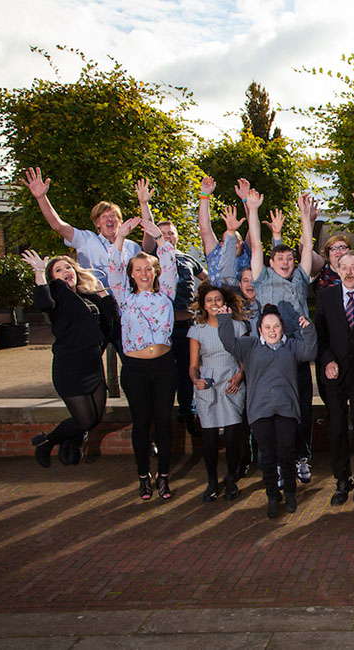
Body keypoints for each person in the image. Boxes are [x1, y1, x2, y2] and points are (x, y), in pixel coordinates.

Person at [218, 304, 318, 518]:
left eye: (276, 326)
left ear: (282, 327)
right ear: (260, 329)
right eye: (267, 327)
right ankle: (273, 496)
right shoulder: (250, 346)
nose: (272, 331)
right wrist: (225, 320)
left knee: (286, 453)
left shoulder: (291, 347)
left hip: (286, 410)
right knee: (268, 458)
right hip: (260, 412)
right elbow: (229, 344)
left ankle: (290, 493)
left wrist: (308, 330)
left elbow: (310, 351)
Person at [246, 189, 316, 484]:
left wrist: (304, 217)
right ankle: (272, 464)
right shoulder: (262, 278)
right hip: (266, 356)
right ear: (272, 262)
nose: (286, 262)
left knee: (301, 408)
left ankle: (301, 457)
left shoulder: (300, 276)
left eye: (289, 258)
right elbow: (257, 246)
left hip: (295, 353)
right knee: (268, 411)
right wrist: (252, 210)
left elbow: (308, 244)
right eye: (281, 259)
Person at [22, 250, 117, 467]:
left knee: (95, 419)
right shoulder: (56, 295)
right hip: (70, 368)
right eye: (58, 270)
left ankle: (70, 441)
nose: (66, 271)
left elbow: (109, 323)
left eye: (68, 267)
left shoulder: (87, 296)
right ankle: (46, 443)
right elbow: (43, 304)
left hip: (93, 366)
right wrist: (39, 273)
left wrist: (104, 294)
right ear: (53, 278)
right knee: (84, 420)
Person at [108, 217, 179, 500]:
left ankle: (163, 476)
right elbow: (113, 267)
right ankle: (143, 476)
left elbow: (170, 262)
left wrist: (158, 239)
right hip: (135, 368)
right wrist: (121, 237)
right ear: (132, 273)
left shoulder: (167, 295)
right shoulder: (124, 297)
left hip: (163, 366)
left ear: (154, 271)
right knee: (141, 423)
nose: (144, 272)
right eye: (138, 269)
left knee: (163, 421)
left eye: (148, 268)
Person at [136, 179, 209, 438]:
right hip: (160, 330)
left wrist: (205, 305)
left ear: (177, 236)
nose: (167, 237)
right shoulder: (152, 259)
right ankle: (161, 425)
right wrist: (145, 204)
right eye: (162, 234)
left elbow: (207, 280)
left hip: (187, 326)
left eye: (171, 233)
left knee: (190, 370)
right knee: (163, 377)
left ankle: (188, 414)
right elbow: (148, 233)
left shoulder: (188, 258)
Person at [315, 250, 354, 506]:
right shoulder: (326, 295)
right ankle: (342, 480)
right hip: (335, 373)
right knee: (338, 427)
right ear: (337, 270)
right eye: (344, 267)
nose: (349, 272)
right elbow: (320, 335)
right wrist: (328, 359)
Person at [22, 167, 141, 287]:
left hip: (128, 302)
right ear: (97, 223)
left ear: (120, 221)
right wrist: (41, 198)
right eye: (104, 216)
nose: (109, 219)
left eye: (113, 216)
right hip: (97, 299)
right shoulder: (86, 239)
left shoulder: (132, 247)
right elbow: (58, 225)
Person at [188, 283, 248, 502]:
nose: (214, 304)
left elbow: (244, 359)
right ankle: (212, 481)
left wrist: (240, 376)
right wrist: (196, 380)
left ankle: (231, 479)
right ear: (204, 305)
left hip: (231, 380)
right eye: (209, 300)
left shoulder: (239, 327)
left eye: (218, 300)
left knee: (233, 435)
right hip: (209, 382)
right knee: (210, 437)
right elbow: (194, 364)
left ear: (225, 303)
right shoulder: (197, 330)